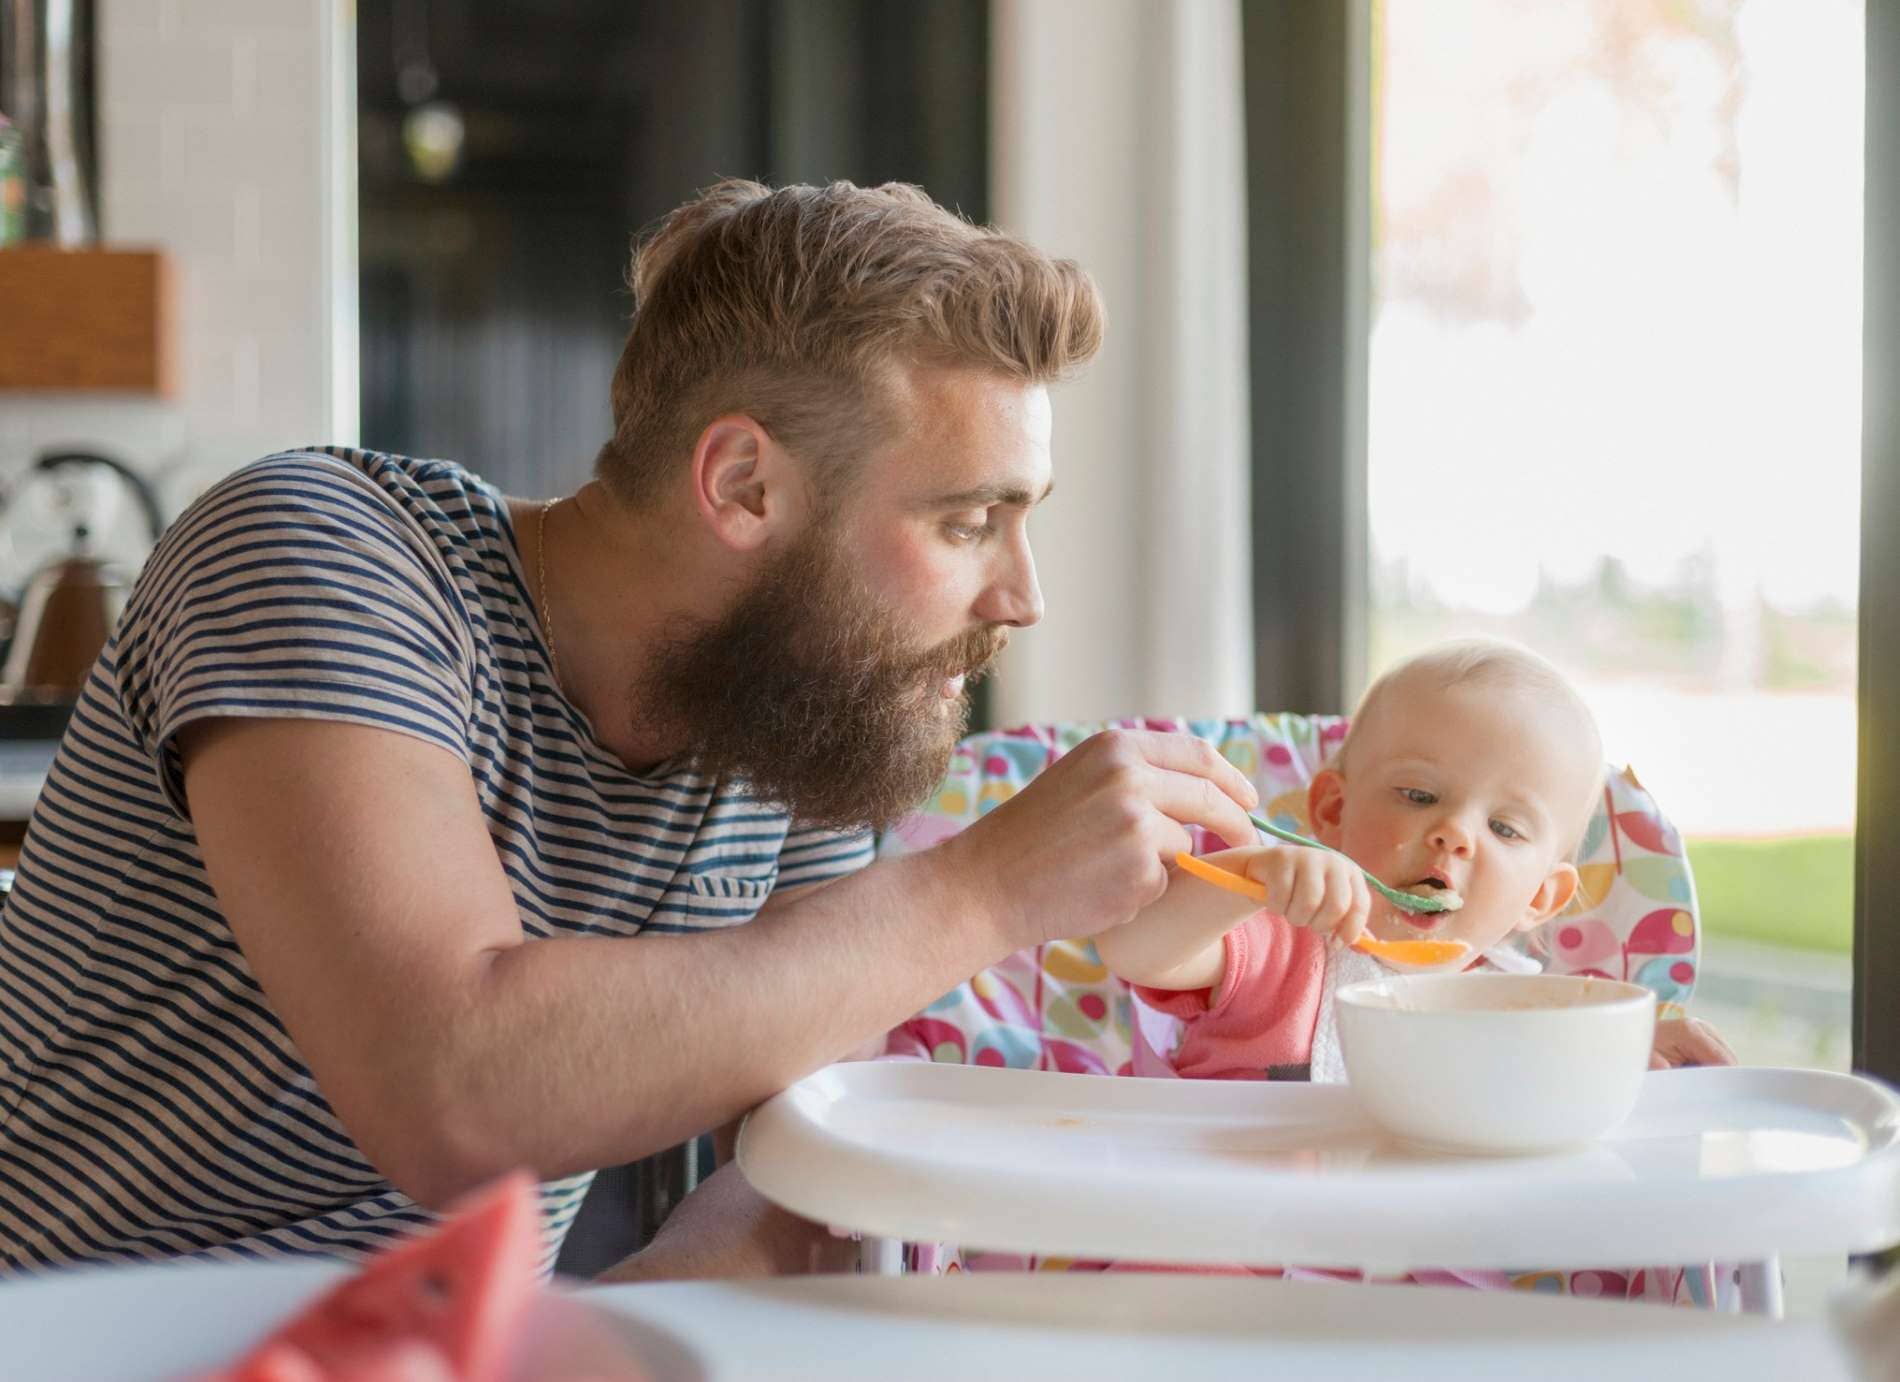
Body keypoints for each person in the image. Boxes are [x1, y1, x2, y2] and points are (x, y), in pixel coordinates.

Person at [0, 179, 1270, 1274]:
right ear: (743, 485)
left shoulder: (794, 702)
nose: (1022, 596)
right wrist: (984, 890)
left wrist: (610, 1332)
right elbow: (454, 1086)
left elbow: (812, 1143)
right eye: (964, 521)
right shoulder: (317, 553)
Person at [1095, 637, 1735, 1084]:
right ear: (1333, 812)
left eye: (1505, 829)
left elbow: (1568, 1100)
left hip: (1409, 1259)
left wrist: (1621, 1048)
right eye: (1420, 796)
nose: (1454, 834)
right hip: (1228, 1233)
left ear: (1541, 898)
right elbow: (1135, 949)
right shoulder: (1280, 941)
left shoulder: (1529, 1010)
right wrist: (1250, 878)